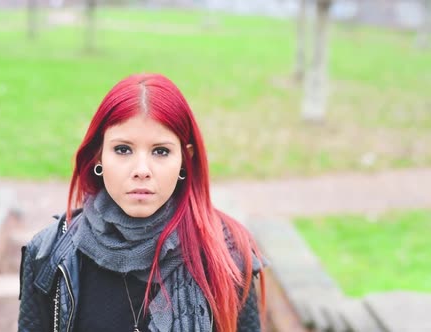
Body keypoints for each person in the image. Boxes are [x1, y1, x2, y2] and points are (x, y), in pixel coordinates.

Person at [18, 73, 266, 332]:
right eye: (123, 149)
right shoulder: (49, 255)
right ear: (98, 156)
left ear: (185, 160)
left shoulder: (227, 255)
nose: (141, 170)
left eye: (161, 151)